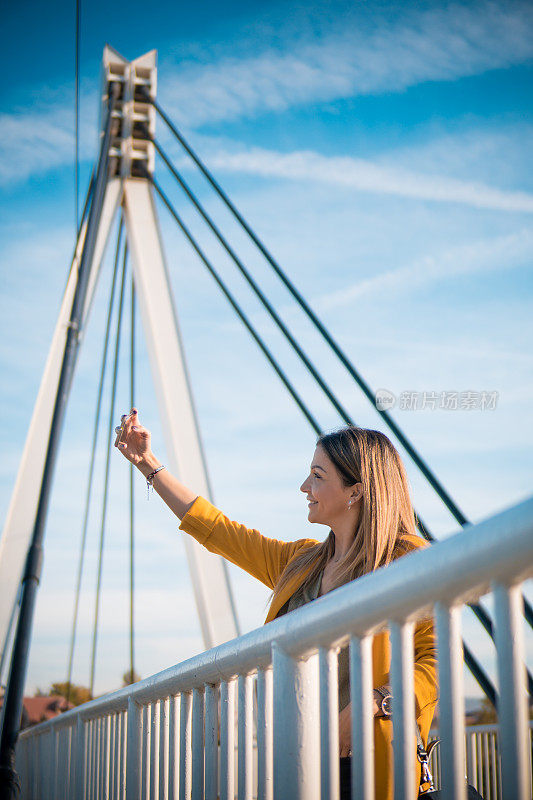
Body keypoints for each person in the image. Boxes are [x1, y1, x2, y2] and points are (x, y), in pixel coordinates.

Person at [116, 409, 438, 800]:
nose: (304, 486)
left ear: (356, 491)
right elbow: (218, 530)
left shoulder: (408, 559)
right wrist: (146, 462)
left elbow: (437, 659)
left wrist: (373, 704)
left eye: (318, 476)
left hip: (371, 764)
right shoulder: (301, 563)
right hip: (298, 762)